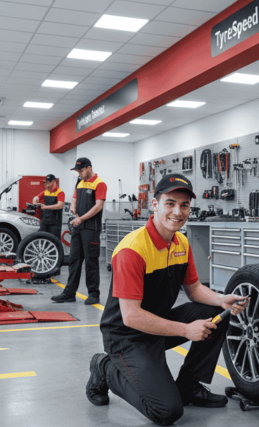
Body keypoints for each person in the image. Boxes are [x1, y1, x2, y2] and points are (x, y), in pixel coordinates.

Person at [85, 174, 249, 426]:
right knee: (166, 411)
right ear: (155, 204)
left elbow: (194, 289)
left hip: (157, 325)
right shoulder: (132, 250)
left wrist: (221, 299)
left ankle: (188, 385)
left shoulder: (181, 242)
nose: (178, 212)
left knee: (215, 313)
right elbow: (131, 316)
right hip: (126, 336)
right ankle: (104, 366)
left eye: (184, 205)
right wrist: (185, 329)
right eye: (170, 203)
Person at [52, 158, 106, 304]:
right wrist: (73, 209)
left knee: (91, 262)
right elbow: (74, 198)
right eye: (78, 171)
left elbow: (98, 206)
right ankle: (69, 293)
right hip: (77, 227)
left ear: (89, 168)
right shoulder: (80, 183)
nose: (80, 173)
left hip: (91, 228)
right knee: (74, 261)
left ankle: (94, 294)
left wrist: (81, 218)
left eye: (81, 170)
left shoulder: (99, 184)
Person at [31, 174, 64, 239]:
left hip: (55, 223)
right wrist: (35, 200)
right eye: (46, 182)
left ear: (54, 182)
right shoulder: (46, 192)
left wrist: (46, 207)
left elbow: (60, 205)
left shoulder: (60, 193)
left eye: (49, 182)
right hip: (45, 221)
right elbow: (36, 197)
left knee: (53, 240)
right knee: (42, 238)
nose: (47, 185)